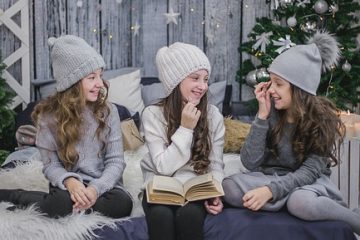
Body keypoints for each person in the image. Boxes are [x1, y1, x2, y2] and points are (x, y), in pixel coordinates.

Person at [222, 31, 360, 235]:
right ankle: (284, 200)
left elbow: (309, 172)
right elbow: (250, 162)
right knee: (229, 188)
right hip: (271, 177)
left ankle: (355, 219)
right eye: (271, 82)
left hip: (308, 182)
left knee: (300, 202)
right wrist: (261, 116)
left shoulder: (322, 120)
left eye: (279, 84)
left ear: (299, 88)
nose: (271, 90)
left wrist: (270, 191)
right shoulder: (271, 112)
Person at [0, 35, 133, 219]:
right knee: (60, 203)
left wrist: (95, 189)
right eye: (91, 77)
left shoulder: (108, 111)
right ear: (73, 82)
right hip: (68, 186)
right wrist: (70, 181)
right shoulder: (49, 116)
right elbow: (51, 165)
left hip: (103, 186)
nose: (100, 84)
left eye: (100, 76)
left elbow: (116, 162)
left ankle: (67, 207)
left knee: (122, 205)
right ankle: (16, 196)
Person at [141, 42, 225, 240]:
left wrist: (216, 191)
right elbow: (163, 167)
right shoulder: (152, 114)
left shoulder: (213, 116)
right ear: (175, 82)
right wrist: (186, 128)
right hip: (161, 186)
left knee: (190, 216)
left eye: (206, 79)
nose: (203, 86)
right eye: (195, 78)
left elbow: (217, 165)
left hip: (195, 187)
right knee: (161, 216)